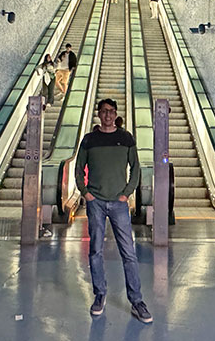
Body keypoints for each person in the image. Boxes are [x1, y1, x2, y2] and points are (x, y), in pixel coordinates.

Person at [75, 99, 152, 323]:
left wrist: (126, 193)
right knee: (95, 251)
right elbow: (79, 168)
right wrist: (85, 192)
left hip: (119, 203)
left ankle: (137, 301)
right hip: (96, 202)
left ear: (115, 114)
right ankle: (100, 295)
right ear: (98, 114)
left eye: (111, 111)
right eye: (104, 111)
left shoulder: (126, 138)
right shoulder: (89, 140)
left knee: (128, 252)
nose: (108, 115)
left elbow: (136, 169)